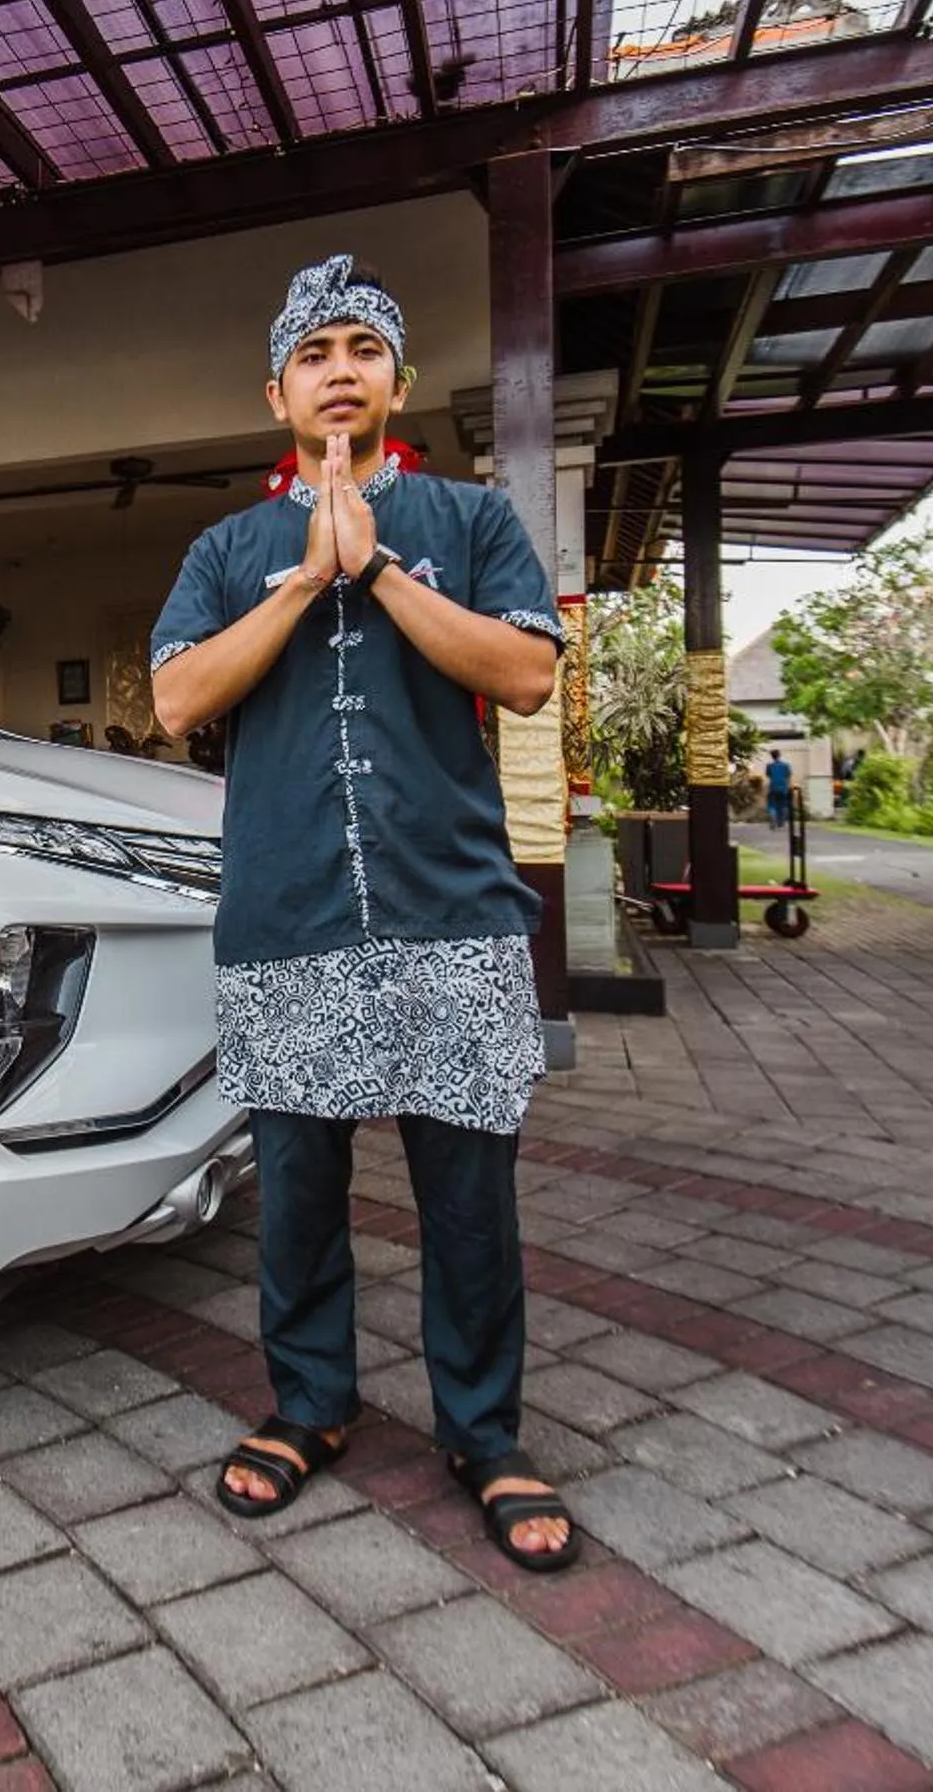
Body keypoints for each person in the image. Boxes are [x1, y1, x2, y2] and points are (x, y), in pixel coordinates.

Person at [148, 255, 579, 1574]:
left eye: (362, 347)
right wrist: (298, 579)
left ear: (395, 378)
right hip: (286, 917)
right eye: (314, 351)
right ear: (277, 391)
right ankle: (313, 1404)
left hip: (452, 911)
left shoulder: (471, 519)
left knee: (467, 1198)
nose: (340, 367)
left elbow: (523, 673)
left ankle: (484, 1431)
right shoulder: (227, 550)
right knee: (297, 1192)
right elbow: (176, 702)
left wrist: (377, 565)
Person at [765, 748, 794, 830]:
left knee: (772, 805)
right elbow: (788, 776)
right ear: (779, 755)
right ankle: (781, 824)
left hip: (773, 787)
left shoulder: (769, 765)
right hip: (783, 787)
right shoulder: (786, 765)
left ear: (772, 756)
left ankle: (773, 817)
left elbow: (768, 775)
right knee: (783, 805)